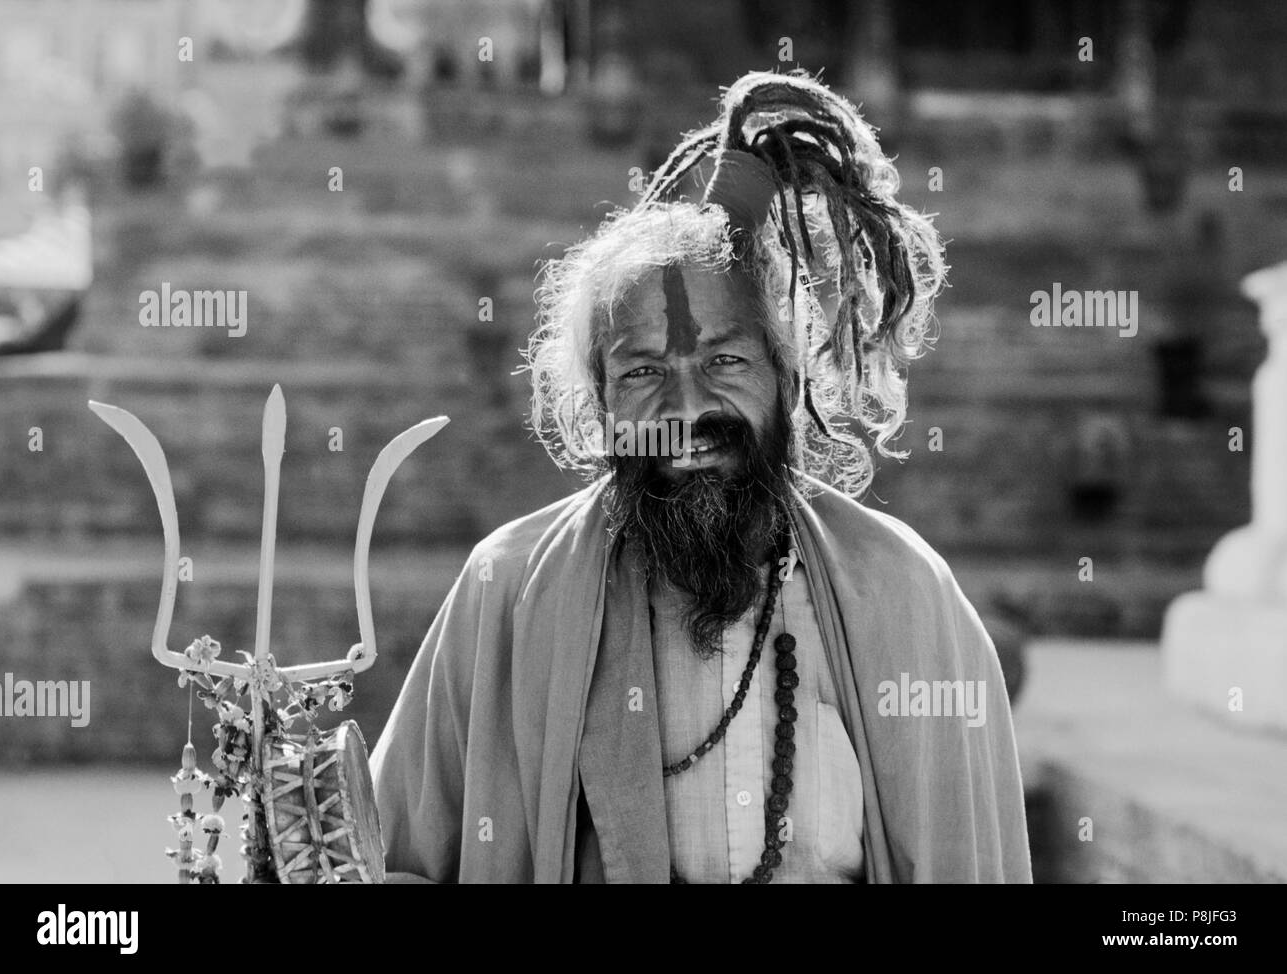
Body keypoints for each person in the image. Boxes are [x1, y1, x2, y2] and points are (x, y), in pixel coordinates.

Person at [369, 70, 1032, 883]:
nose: (687, 406)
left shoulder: (904, 595)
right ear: (599, 404)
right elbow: (395, 860)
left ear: (789, 379)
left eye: (723, 360)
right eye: (642, 371)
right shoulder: (506, 591)